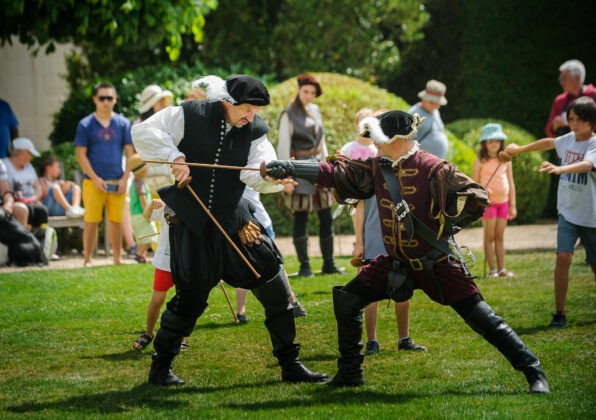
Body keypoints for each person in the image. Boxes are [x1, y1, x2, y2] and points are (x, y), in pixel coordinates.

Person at [265, 110, 550, 394]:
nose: (374, 146)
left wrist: (448, 223)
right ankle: (350, 372)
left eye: (378, 141)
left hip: (436, 261)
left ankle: (533, 371)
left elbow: (475, 197)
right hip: (396, 262)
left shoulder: (435, 168)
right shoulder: (379, 166)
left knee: (481, 317)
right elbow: (339, 172)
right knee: (348, 299)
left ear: (396, 139)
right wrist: (290, 168)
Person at [132, 74, 327, 386]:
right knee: (189, 301)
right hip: (193, 226)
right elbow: (143, 131)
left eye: (256, 111)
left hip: (237, 223)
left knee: (276, 289)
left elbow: (258, 170)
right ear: (227, 102)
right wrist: (175, 157)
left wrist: (270, 174)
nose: (251, 117)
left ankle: (291, 364)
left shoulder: (255, 130)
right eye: (246, 109)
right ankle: (160, 370)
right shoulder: (188, 115)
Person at [501, 96, 596, 329]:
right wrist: (519, 150)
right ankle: (559, 313)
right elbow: (548, 143)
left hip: (591, 216)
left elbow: (587, 165)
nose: (573, 124)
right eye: (571, 119)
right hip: (567, 212)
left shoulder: (593, 145)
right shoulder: (569, 139)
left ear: (591, 122)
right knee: (563, 257)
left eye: (579, 120)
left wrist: (560, 168)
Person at [341, 108, 426, 355]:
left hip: (399, 236)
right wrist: (359, 242)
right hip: (373, 234)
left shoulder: (409, 163)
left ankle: (404, 339)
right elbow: (358, 207)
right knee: (369, 289)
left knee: (403, 286)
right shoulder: (370, 168)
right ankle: (372, 341)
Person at [277, 73, 346, 277]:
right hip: (298, 169)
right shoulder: (288, 114)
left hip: (319, 167)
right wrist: (284, 178)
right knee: (301, 218)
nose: (309, 95)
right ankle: (305, 267)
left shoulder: (316, 110)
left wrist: (329, 167)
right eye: (306, 91)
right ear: (299, 90)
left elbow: (321, 142)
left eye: (313, 93)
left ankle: (329, 264)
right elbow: (282, 147)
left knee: (326, 216)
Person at [75, 81, 134, 267]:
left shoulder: (123, 123)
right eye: (102, 98)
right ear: (95, 99)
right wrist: (95, 178)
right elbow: (80, 155)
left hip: (117, 180)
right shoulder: (85, 125)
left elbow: (130, 153)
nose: (106, 102)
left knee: (116, 221)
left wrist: (125, 178)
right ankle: (87, 260)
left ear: (115, 99)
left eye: (109, 98)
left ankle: (117, 260)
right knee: (92, 221)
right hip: (92, 181)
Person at [236, 186, 308, 324]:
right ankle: (241, 313)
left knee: (275, 265)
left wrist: (281, 183)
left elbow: (265, 181)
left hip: (259, 224)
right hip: (239, 222)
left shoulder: (249, 169)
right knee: (242, 264)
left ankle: (292, 301)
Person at [133, 198, 188, 351]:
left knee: (185, 300)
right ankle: (149, 333)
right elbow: (146, 216)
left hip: (186, 261)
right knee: (157, 299)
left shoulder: (197, 201)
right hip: (165, 260)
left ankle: (181, 338)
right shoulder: (168, 200)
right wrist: (151, 206)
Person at [473, 123, 517, 278]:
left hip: (503, 203)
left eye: (497, 140)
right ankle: (492, 270)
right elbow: (474, 183)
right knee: (489, 237)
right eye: (490, 140)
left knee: (499, 237)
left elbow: (511, 182)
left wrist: (513, 205)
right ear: (484, 143)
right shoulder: (480, 160)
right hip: (488, 204)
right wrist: (484, 191)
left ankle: (502, 269)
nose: (494, 143)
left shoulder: (506, 159)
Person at [546, 60, 595, 138]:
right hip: (566, 149)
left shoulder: (594, 96)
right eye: (560, 79)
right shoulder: (560, 100)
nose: (561, 82)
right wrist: (554, 126)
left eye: (564, 78)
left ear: (577, 78)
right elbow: (549, 131)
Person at [126, 153, 158, 263]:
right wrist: (148, 214)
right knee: (151, 235)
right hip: (142, 214)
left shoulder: (133, 183)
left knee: (141, 238)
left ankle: (141, 256)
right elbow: (142, 199)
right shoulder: (140, 183)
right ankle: (139, 254)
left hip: (135, 215)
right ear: (142, 170)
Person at [408, 80, 449, 159]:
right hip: (420, 162)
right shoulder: (414, 113)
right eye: (432, 102)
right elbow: (408, 141)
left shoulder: (435, 112)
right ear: (424, 98)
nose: (435, 106)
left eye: (437, 103)